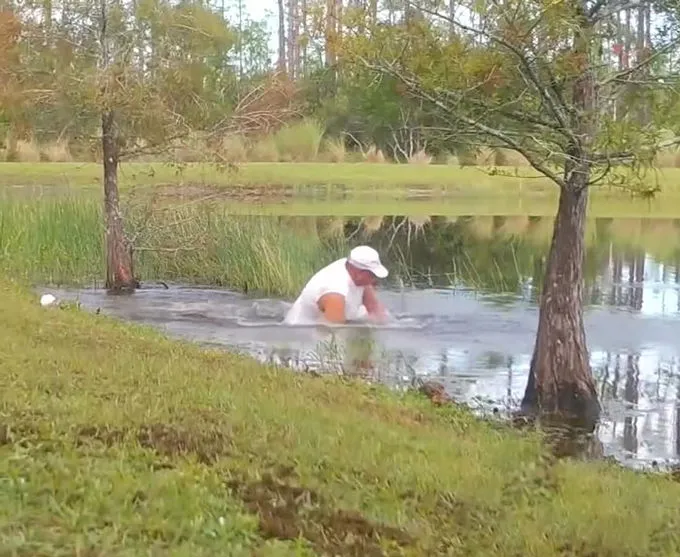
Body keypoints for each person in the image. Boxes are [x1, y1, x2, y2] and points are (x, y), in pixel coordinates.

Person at [283, 245, 390, 326]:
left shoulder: (355, 271)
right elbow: (333, 336)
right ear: (358, 273)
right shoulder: (335, 292)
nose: (374, 279)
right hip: (301, 335)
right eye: (372, 275)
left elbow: (376, 311)